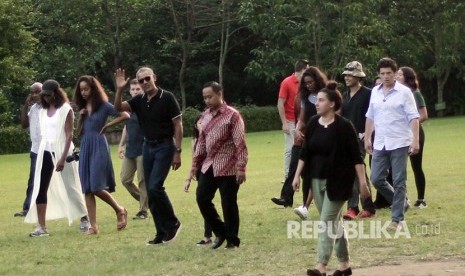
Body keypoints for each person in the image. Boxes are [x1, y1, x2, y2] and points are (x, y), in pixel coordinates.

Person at [292, 81, 370, 276]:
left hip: (340, 181)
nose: (316, 103)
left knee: (326, 221)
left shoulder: (344, 126)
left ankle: (321, 265)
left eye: (320, 100)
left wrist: (362, 183)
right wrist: (296, 177)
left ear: (332, 104)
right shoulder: (312, 123)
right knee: (335, 223)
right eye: (316, 100)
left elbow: (356, 157)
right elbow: (305, 152)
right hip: (316, 180)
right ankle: (344, 266)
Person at [114, 67, 183, 245]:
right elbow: (118, 108)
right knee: (150, 193)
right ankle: (160, 232)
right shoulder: (139, 100)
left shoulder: (167, 97)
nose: (145, 83)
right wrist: (120, 89)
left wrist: (178, 151)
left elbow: (178, 125)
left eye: (147, 79)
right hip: (148, 147)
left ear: (154, 78)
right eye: (141, 80)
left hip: (165, 146)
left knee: (154, 187)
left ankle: (173, 223)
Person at [25, 80, 88, 237]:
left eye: (48, 95)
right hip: (45, 150)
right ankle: (42, 226)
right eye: (43, 95)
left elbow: (68, 136)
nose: (45, 98)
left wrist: (62, 159)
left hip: (63, 150)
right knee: (40, 187)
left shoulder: (65, 109)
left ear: (56, 93)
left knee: (71, 186)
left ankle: (85, 218)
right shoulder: (41, 111)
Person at [189, 81, 248, 249]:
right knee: (202, 198)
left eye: (210, 96)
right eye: (204, 98)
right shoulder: (204, 116)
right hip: (209, 165)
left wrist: (241, 167)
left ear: (219, 94)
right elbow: (201, 142)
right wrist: (195, 165)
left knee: (228, 203)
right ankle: (221, 231)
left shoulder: (233, 115)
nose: (207, 100)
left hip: (228, 166)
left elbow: (240, 143)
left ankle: (232, 240)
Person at [365, 57, 420, 231]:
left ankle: (396, 219)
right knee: (376, 178)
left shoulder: (404, 92)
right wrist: (367, 137)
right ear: (378, 75)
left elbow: (413, 116)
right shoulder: (375, 91)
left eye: (389, 73)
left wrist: (415, 139)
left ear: (395, 74)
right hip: (380, 142)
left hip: (399, 141)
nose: (386, 76)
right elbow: (370, 115)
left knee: (399, 180)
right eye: (382, 73)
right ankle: (401, 202)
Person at [74, 75, 129, 235]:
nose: (83, 92)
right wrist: (81, 117)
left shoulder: (104, 106)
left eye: (86, 89)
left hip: (98, 145)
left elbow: (125, 115)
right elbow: (78, 133)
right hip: (85, 145)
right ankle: (93, 226)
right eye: (81, 90)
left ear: (93, 89)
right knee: (88, 189)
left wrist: (108, 125)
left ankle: (119, 210)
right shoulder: (83, 107)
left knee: (97, 186)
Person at [272, 67, 328, 216]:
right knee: (295, 165)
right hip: (304, 137)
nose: (308, 85)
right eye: (306, 83)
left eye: (310, 82)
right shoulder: (305, 97)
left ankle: (305, 206)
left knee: (310, 173)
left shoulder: (327, 95)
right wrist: (297, 129)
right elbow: (302, 118)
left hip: (320, 137)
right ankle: (288, 198)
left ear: (317, 80)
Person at [340, 61, 377, 220]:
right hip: (347, 139)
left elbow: (375, 116)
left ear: (358, 77)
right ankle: (361, 207)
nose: (347, 77)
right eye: (346, 75)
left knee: (357, 171)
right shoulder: (344, 95)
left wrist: (367, 134)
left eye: (351, 75)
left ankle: (359, 207)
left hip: (362, 139)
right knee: (354, 172)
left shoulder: (369, 94)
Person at [396, 66, 428, 208]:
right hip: (400, 134)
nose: (397, 76)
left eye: (400, 75)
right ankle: (404, 199)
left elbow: (424, 115)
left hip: (415, 134)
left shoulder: (415, 94)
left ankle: (421, 199)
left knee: (416, 166)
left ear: (407, 78)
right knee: (400, 169)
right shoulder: (396, 94)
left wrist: (411, 124)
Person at [118, 79, 149, 220]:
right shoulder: (128, 107)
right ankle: (147, 201)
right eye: (133, 89)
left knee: (143, 180)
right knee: (125, 179)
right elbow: (126, 126)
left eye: (138, 89)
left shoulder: (146, 105)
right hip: (130, 149)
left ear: (142, 89)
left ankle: (143, 211)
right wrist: (121, 145)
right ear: (130, 91)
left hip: (144, 148)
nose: (136, 91)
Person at [184, 114, 214, 246]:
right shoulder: (194, 141)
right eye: (199, 122)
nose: (201, 124)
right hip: (202, 172)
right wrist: (189, 177)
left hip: (215, 169)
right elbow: (194, 160)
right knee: (203, 201)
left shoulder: (213, 136)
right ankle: (207, 236)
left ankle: (220, 233)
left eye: (204, 122)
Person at [277, 59, 310, 180]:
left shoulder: (306, 83)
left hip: (302, 121)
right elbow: (280, 103)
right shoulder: (287, 82)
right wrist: (284, 123)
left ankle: (301, 174)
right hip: (290, 120)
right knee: (290, 149)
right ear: (302, 70)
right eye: (307, 69)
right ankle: (287, 175)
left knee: (302, 148)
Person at [14, 83, 42, 217]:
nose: (35, 95)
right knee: (33, 180)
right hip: (36, 150)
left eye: (37, 92)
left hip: (50, 149)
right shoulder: (34, 108)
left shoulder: (49, 108)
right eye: (32, 92)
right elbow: (24, 124)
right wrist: (26, 105)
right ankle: (27, 208)